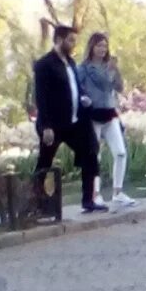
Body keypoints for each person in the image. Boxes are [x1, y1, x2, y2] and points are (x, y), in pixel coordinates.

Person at [34, 25, 106, 213]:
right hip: (54, 124)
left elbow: (75, 87)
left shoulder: (71, 63)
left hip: (75, 122)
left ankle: (88, 200)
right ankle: (38, 203)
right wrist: (46, 126)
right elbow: (41, 97)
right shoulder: (44, 65)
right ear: (59, 39)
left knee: (90, 153)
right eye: (70, 40)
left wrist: (83, 97)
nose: (74, 44)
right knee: (45, 162)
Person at [78, 32, 136, 208]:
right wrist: (83, 100)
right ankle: (94, 194)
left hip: (109, 114)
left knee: (120, 152)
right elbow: (80, 88)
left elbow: (118, 87)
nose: (103, 49)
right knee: (94, 156)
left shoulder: (109, 66)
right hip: (93, 115)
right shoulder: (84, 68)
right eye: (99, 46)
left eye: (105, 46)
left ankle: (117, 192)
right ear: (91, 47)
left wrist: (115, 71)